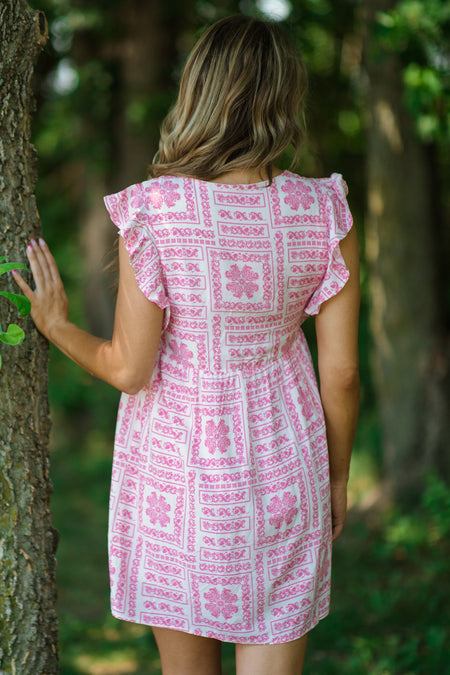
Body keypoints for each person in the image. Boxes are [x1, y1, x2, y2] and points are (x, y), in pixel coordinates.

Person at [13, 14, 360, 675]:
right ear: (285, 99)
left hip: (180, 479)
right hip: (288, 465)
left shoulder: (158, 210)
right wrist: (338, 475)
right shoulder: (325, 210)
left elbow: (129, 367)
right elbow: (341, 374)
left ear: (198, 92)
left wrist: (58, 326)